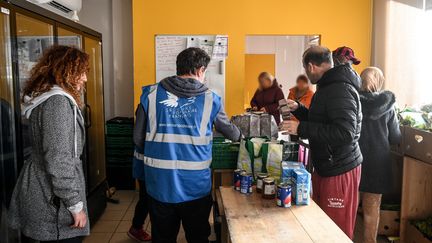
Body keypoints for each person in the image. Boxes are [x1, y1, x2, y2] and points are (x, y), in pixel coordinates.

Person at [134, 47, 241, 243]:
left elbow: (138, 139)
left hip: (160, 185)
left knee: (163, 238)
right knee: (198, 237)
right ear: (200, 70)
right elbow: (231, 132)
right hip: (195, 187)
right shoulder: (210, 99)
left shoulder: (150, 95)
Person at [9, 46, 90, 243]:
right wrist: (74, 205)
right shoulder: (58, 104)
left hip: (43, 190)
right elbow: (58, 160)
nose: (85, 78)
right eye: (81, 71)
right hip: (52, 200)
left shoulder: (48, 99)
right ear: (65, 71)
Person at [280, 46, 362, 239]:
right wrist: (299, 109)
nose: (306, 75)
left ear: (311, 66)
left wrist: (301, 129)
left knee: (336, 232)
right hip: (327, 165)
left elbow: (345, 132)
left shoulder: (339, 88)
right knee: (322, 226)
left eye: (305, 69)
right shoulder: (328, 86)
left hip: (340, 167)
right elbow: (323, 122)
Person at [358, 67, 401, 243]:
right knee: (372, 208)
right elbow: (395, 136)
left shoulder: (352, 101)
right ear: (379, 80)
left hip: (354, 160)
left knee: (351, 205)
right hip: (378, 162)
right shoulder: (388, 106)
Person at [127, 148, 151, 241]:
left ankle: (136, 228)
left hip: (147, 165)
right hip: (146, 166)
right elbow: (139, 140)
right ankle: (136, 228)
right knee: (146, 200)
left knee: (146, 199)